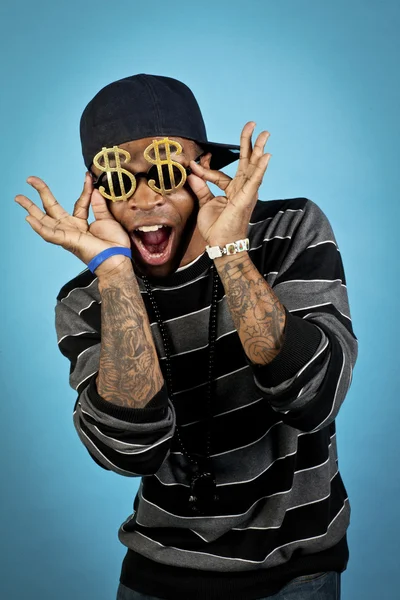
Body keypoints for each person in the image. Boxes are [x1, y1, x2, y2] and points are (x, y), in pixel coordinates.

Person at [15, 74, 358, 600]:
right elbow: (130, 451)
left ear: (205, 169)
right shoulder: (88, 298)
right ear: (98, 188)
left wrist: (230, 254)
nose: (146, 199)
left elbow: (314, 397)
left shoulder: (288, 232)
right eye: (119, 179)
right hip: (158, 575)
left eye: (167, 172)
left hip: (296, 573)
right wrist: (113, 274)